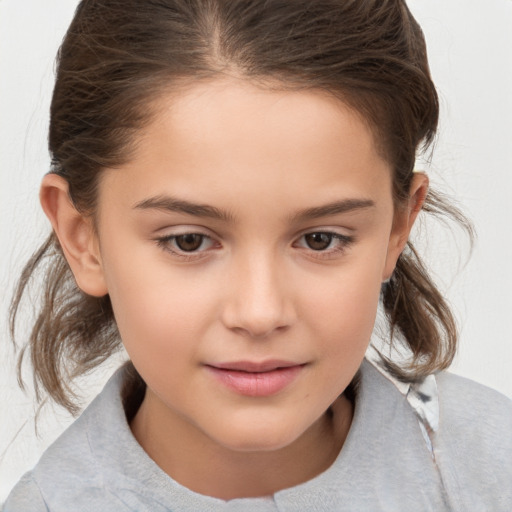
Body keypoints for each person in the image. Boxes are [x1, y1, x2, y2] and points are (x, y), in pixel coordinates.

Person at [4, 0, 512, 510]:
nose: (260, 313)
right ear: (82, 236)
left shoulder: (490, 470)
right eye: (188, 240)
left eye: (321, 239)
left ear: (398, 227)